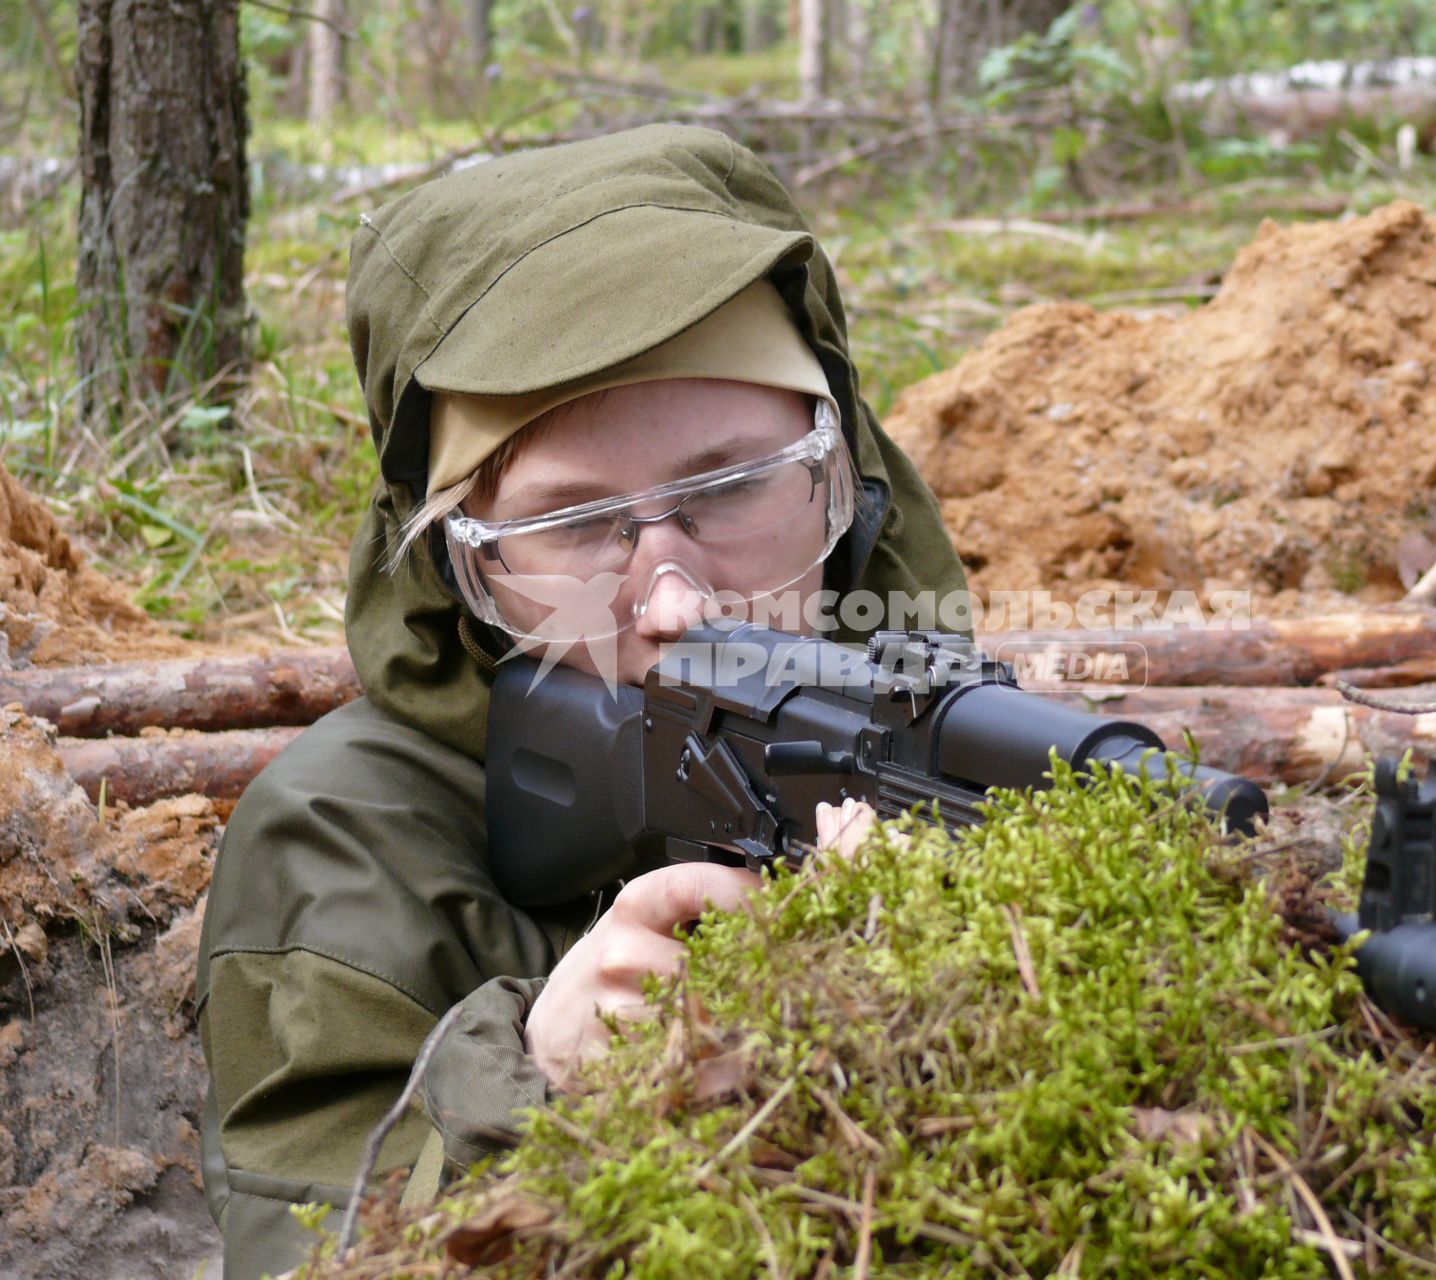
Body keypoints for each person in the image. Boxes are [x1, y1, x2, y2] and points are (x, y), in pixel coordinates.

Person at [195, 124, 969, 1278]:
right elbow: (304, 1249)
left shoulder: (936, 742)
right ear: (460, 564)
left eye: (735, 484)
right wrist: (526, 1086)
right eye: (568, 524)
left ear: (843, 483)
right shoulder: (351, 842)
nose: (672, 602)